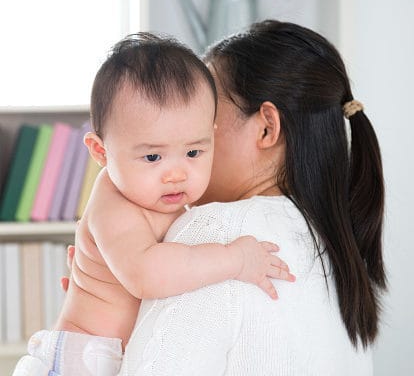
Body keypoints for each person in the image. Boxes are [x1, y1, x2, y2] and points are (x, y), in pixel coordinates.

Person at [12, 32, 294, 376]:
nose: (175, 173)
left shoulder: (162, 199)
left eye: (194, 152)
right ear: (101, 152)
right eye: (151, 156)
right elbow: (149, 273)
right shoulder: (113, 202)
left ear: (212, 134)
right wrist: (234, 259)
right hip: (81, 359)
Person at [113, 20, 385, 375]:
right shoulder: (336, 248)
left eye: (206, 114)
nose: (186, 135)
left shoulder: (217, 233)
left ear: (267, 127)